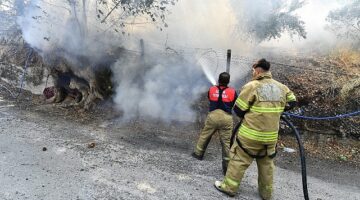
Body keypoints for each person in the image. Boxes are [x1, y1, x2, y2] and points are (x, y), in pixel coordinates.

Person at [214, 59, 297, 199]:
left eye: (253, 70)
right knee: (267, 165)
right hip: (270, 138)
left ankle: (229, 187)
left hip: (249, 136)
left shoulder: (252, 86)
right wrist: (277, 110)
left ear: (258, 70)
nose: (253, 73)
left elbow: (239, 110)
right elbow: (293, 101)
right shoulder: (281, 87)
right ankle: (266, 193)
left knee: (239, 160)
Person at [192, 72, 238, 175]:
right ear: (228, 81)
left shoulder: (212, 89)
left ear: (218, 80)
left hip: (213, 115)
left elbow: (210, 97)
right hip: (226, 118)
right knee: (226, 142)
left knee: (205, 135)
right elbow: (235, 102)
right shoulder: (232, 91)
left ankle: (198, 154)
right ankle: (226, 166)